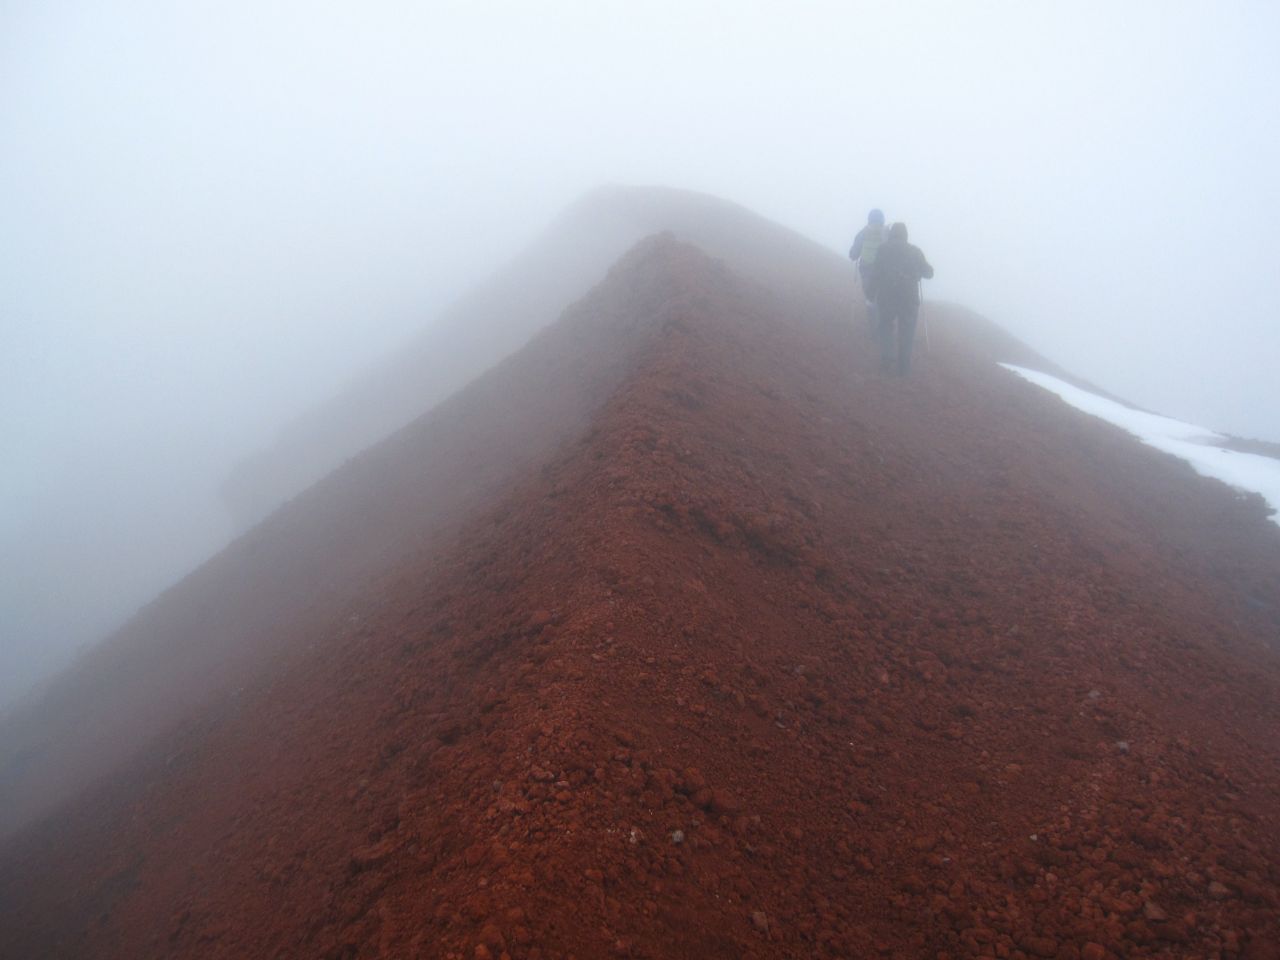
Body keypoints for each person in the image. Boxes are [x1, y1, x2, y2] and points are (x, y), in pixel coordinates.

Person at [871, 222, 934, 376]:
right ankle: (904, 368)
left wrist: (870, 292)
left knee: (885, 324)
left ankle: (887, 355)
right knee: (907, 331)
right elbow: (929, 273)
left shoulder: (883, 249)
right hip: (909, 297)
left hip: (887, 294)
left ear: (892, 233)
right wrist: (917, 271)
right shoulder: (915, 251)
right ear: (906, 235)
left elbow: (876, 271)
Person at [848, 209, 886, 328]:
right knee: (882, 297)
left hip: (867, 270)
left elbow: (853, 254)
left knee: (870, 298)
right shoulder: (886, 233)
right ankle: (883, 326)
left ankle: (873, 328)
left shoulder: (863, 233)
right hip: (884, 271)